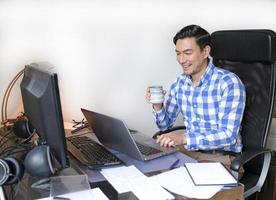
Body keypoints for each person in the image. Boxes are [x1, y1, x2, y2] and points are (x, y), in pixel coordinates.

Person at [145, 25, 246, 168]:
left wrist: (184, 138)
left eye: (187, 53)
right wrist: (158, 105)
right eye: (178, 53)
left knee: (175, 184)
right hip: (190, 152)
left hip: (221, 158)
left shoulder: (228, 83)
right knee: (149, 167)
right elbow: (165, 125)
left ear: (205, 51)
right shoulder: (180, 82)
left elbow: (228, 135)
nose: (181, 60)